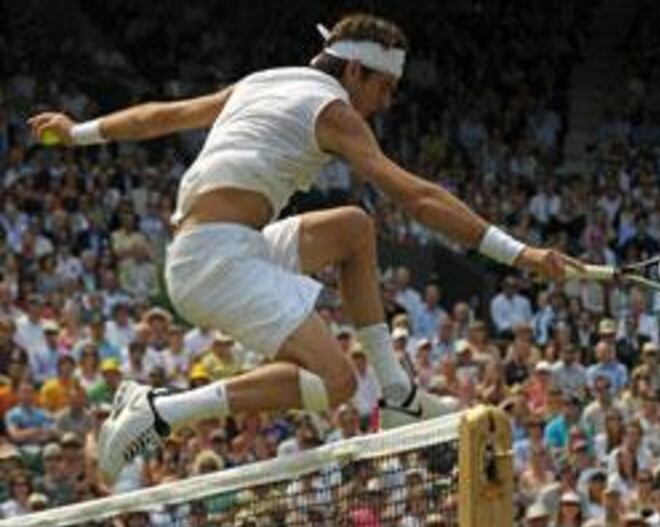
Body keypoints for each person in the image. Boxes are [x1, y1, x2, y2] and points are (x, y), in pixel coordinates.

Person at [29, 13, 585, 483]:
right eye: (383, 87)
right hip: (213, 265)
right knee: (338, 383)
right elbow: (416, 196)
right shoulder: (334, 112)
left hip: (224, 248)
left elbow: (166, 115)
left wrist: (77, 133)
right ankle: (163, 409)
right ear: (353, 71)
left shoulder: (265, 81)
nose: (386, 102)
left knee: (354, 227)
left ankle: (395, 392)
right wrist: (521, 254)